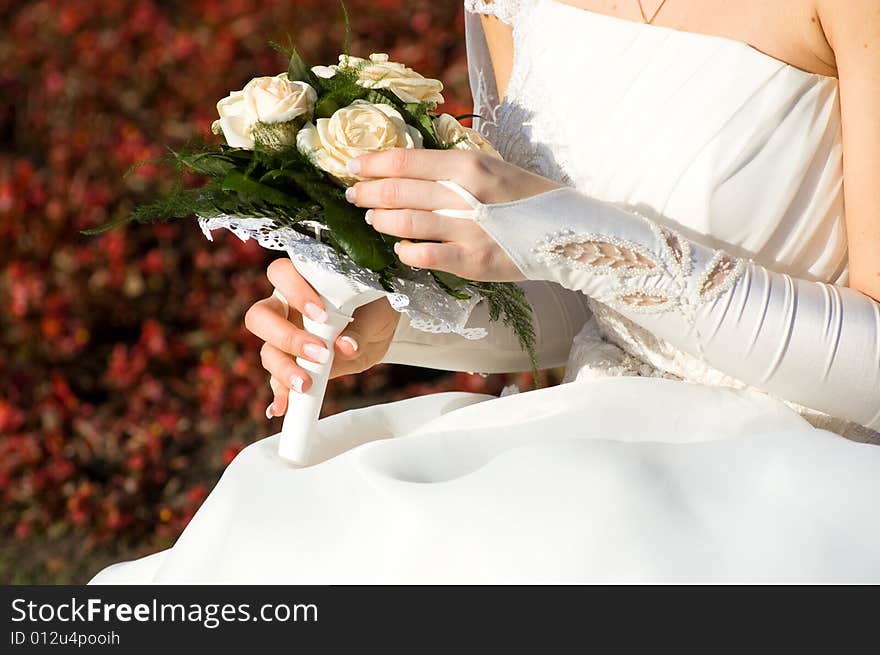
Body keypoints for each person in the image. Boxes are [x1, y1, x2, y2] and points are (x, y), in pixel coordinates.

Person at [91, 0, 880, 583]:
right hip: (585, 438)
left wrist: (575, 236)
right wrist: (392, 323)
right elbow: (564, 298)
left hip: (801, 463)